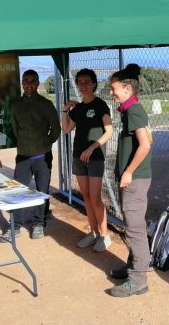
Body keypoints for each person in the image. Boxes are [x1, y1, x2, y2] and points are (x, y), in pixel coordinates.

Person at [106, 64, 153, 298]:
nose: (111, 92)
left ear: (127, 88)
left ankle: (138, 280)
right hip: (133, 180)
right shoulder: (129, 110)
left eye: (113, 88)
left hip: (135, 180)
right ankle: (133, 266)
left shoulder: (134, 110)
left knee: (134, 230)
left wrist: (128, 172)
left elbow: (145, 145)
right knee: (133, 226)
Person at [62, 68, 114, 252]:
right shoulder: (79, 108)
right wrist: (65, 110)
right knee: (86, 197)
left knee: (95, 198)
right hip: (78, 157)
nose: (82, 85)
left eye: (86, 82)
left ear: (94, 84)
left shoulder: (100, 105)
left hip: (95, 158)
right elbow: (66, 129)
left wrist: (92, 147)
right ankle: (93, 232)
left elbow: (109, 131)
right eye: (80, 82)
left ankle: (104, 235)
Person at [9, 69, 61, 239]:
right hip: (23, 156)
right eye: (26, 81)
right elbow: (15, 129)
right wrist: (24, 145)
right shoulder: (16, 105)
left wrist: (44, 144)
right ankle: (15, 225)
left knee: (42, 191)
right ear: (22, 83)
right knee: (18, 191)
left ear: (38, 83)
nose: (29, 84)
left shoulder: (46, 104)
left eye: (32, 81)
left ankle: (38, 223)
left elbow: (56, 129)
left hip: (42, 157)